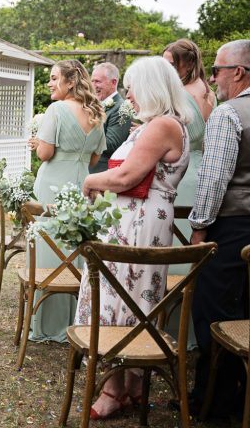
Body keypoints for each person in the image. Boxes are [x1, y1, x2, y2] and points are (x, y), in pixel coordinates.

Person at [76, 56, 192, 419]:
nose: (129, 93)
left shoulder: (163, 126)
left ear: (152, 88)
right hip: (132, 219)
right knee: (126, 297)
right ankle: (131, 386)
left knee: (124, 297)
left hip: (140, 223)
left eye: (134, 87)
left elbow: (127, 178)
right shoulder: (154, 125)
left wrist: (90, 181)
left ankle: (114, 390)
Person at [189, 39, 250, 419]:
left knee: (213, 312)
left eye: (217, 70)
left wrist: (199, 228)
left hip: (232, 228)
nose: (212, 78)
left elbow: (214, 181)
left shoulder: (229, 114)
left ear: (239, 72)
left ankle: (215, 403)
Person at [27, 59, 106, 342]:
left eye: (53, 78)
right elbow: (95, 158)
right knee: (76, 248)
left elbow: (45, 154)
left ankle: (48, 322)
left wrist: (38, 143)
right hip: (82, 185)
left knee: (50, 249)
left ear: (70, 82)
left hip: (52, 186)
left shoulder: (57, 109)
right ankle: (77, 318)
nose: (49, 83)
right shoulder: (96, 110)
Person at [163, 39, 216, 236]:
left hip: (180, 173)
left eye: (170, 65)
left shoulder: (180, 94)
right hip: (201, 170)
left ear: (189, 64)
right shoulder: (209, 93)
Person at [89, 62, 131, 173]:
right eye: (92, 81)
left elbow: (111, 144)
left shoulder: (123, 108)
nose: (93, 86)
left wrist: (82, 137)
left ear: (113, 83)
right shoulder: (94, 105)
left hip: (103, 172)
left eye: (97, 81)